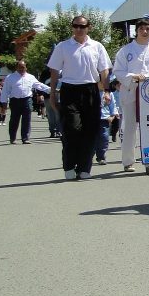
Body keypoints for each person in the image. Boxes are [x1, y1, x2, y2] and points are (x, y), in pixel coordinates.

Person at [48, 15, 111, 180]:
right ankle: (69, 165)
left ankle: (84, 168)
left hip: (90, 90)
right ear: (72, 27)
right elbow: (54, 72)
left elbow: (104, 71)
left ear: (88, 27)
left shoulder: (97, 47)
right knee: (72, 129)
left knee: (90, 131)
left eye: (82, 26)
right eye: (76, 26)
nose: (79, 29)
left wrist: (107, 91)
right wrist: (53, 93)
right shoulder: (63, 46)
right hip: (69, 90)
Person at [113, 18, 149, 174]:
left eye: (148, 29)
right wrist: (133, 77)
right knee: (130, 127)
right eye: (142, 28)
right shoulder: (125, 51)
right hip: (131, 91)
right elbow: (118, 71)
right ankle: (128, 161)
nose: (145, 31)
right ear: (136, 31)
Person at [0, 60, 50, 144]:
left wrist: (50, 89)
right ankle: (13, 138)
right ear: (16, 68)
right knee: (14, 120)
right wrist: (4, 102)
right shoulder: (10, 77)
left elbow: (39, 85)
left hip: (27, 100)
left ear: (26, 67)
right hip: (15, 101)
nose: (22, 69)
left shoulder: (30, 77)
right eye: (20, 67)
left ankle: (25, 138)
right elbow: (5, 91)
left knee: (27, 120)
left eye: (23, 67)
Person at [95, 80, 120, 165]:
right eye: (100, 83)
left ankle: (101, 156)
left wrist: (113, 115)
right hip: (93, 118)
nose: (103, 85)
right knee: (93, 138)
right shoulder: (91, 93)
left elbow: (113, 105)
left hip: (104, 118)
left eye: (104, 83)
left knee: (104, 137)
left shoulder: (109, 94)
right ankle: (90, 156)